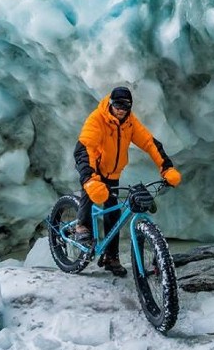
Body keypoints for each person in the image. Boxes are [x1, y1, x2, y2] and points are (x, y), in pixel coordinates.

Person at [73, 86, 182, 276]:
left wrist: (166, 168)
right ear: (110, 103)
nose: (121, 109)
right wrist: (90, 179)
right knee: (90, 194)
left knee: (113, 215)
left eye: (125, 106)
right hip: (93, 168)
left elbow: (149, 143)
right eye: (117, 105)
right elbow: (84, 148)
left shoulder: (129, 122)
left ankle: (111, 256)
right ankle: (81, 224)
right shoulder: (97, 119)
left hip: (113, 173)